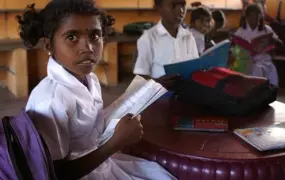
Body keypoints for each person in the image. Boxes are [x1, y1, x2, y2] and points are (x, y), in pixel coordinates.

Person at [18, 0, 176, 179]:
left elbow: (92, 124)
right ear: (48, 45)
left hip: (100, 165)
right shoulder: (50, 100)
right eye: (72, 37)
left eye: (95, 36)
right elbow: (54, 174)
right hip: (84, 173)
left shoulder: (90, 79)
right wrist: (116, 143)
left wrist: (149, 89)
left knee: (160, 174)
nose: (88, 48)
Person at [133, 0, 199, 90]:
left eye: (183, 5)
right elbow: (139, 78)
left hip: (186, 92)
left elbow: (195, 67)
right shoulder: (148, 39)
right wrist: (156, 82)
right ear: (158, 7)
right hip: (159, 94)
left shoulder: (189, 37)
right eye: (173, 5)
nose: (181, 11)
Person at [234, 4, 283, 86]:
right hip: (246, 61)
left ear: (260, 17)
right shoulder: (241, 31)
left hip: (264, 60)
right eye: (251, 17)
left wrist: (273, 41)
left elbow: (280, 44)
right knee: (254, 70)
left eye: (256, 17)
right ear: (246, 17)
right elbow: (235, 49)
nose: (253, 20)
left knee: (268, 72)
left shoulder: (266, 29)